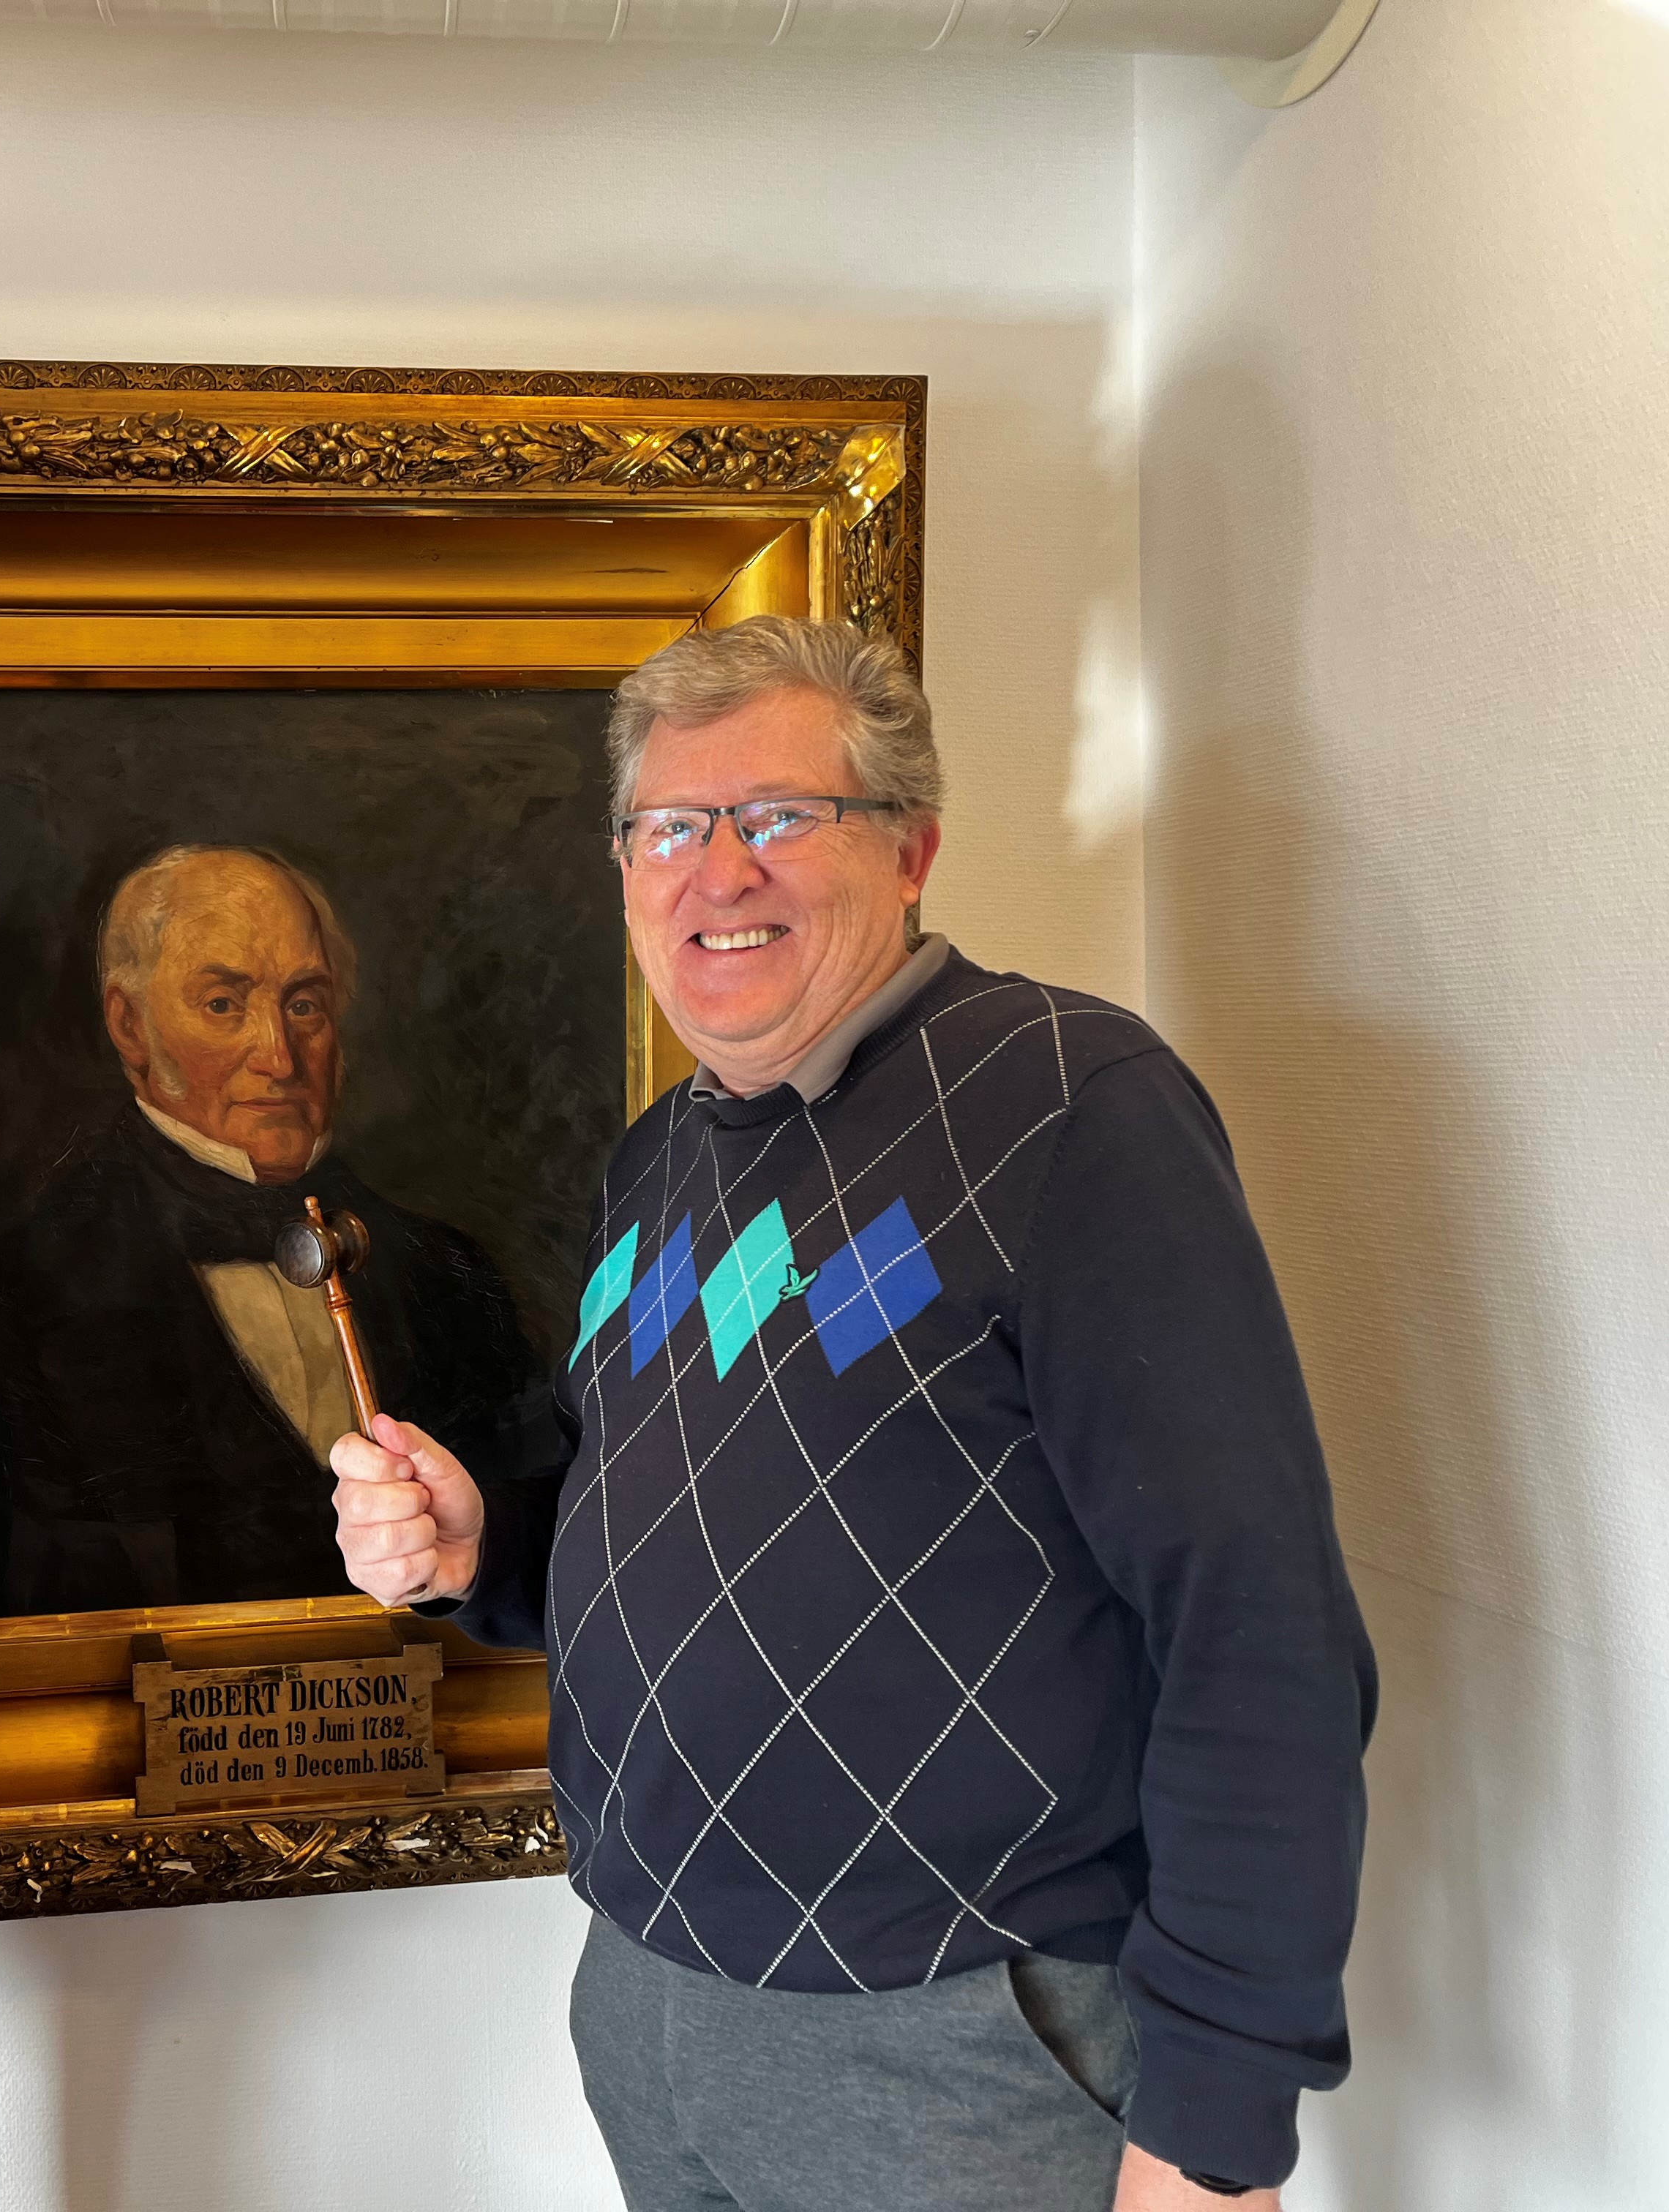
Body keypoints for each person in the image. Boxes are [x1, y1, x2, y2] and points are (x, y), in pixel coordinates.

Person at [331, 615, 1374, 2211]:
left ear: (911, 848)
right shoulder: (659, 1159)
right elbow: (671, 1542)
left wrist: (1216, 2134)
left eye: (778, 816)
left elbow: (1257, 1628)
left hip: (954, 2043)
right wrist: (488, 1551)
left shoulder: (1069, 1104)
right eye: (669, 827)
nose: (717, 870)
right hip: (649, 2002)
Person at [0, 843, 554, 1617]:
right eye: (224, 1005)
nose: (279, 1057)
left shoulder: (451, 1275)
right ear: (131, 1025)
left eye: (305, 1005)